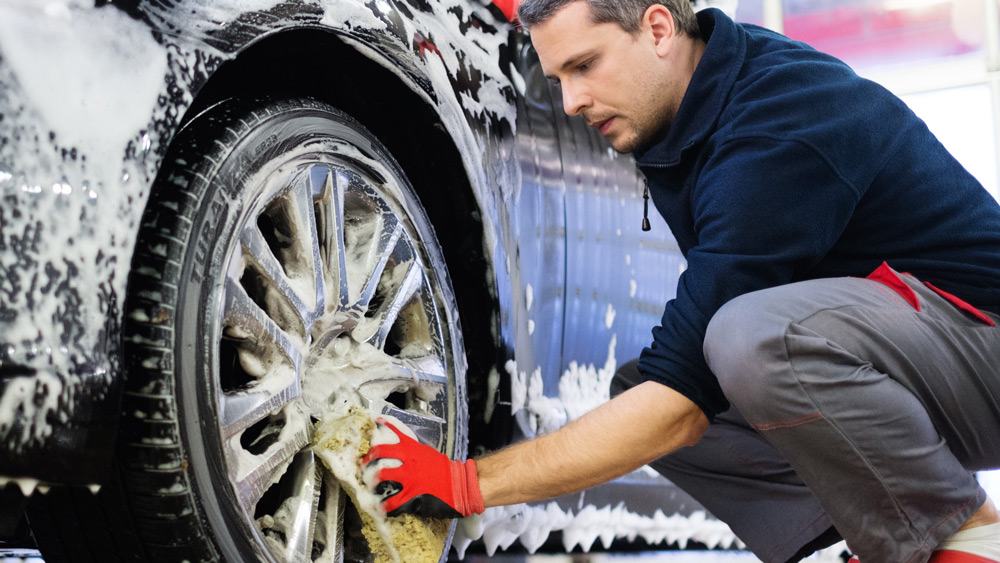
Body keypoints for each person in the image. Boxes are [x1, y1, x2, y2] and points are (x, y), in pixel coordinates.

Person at [361, 1, 1000, 561]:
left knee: (748, 342)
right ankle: (890, 539)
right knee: (641, 390)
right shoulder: (695, 94)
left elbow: (677, 409)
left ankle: (964, 538)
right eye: (558, 77)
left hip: (983, 343)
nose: (569, 102)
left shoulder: (775, 127)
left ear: (659, 28)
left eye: (584, 66)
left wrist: (467, 484)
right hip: (925, 362)